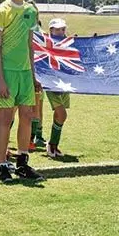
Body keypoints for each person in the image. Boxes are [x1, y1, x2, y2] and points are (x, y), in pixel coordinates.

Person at [0, 0, 44, 182]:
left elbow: (30, 45)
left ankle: (23, 162)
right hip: (8, 72)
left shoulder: (30, 11)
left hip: (25, 72)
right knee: (5, 118)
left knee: (28, 116)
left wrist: (33, 74)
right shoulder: (1, 11)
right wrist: (0, 79)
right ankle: (1, 164)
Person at [43, 18, 72, 158]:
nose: (60, 32)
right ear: (51, 30)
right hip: (51, 83)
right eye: (57, 29)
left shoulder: (69, 43)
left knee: (60, 115)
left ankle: (54, 144)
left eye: (62, 29)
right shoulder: (45, 43)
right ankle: (51, 144)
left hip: (65, 83)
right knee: (62, 114)